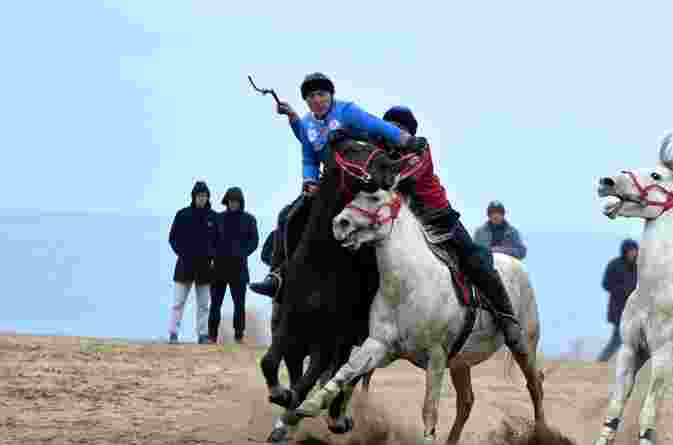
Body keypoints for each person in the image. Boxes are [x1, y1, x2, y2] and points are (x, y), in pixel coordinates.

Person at [249, 72, 425, 298]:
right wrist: (309, 181)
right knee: (287, 215)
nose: (316, 100)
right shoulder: (306, 125)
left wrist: (406, 140)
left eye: (321, 94)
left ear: (331, 95)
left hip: (358, 180)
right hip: (328, 182)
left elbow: (377, 125)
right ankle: (277, 276)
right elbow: (309, 158)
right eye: (310, 97)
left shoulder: (347, 111)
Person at [376, 105, 530, 355]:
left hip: (438, 219)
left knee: (475, 258)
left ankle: (507, 318)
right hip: (399, 225)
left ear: (408, 131)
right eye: (389, 126)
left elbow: (407, 177)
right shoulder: (378, 151)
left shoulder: (419, 147)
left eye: (399, 127)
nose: (393, 130)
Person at [167, 180, 219, 344]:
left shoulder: (214, 217)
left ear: (208, 197)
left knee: (204, 305)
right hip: (184, 266)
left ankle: (202, 335)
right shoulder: (182, 214)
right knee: (178, 302)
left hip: (205, 268)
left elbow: (219, 242)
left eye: (204, 196)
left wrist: (212, 257)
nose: (202, 198)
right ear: (193, 197)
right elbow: (172, 238)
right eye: (199, 196)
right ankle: (173, 333)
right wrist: (182, 253)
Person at [209, 187, 259, 343]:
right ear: (226, 202)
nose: (233, 204)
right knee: (215, 304)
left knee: (239, 305)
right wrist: (215, 254)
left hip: (239, 269)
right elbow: (211, 240)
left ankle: (239, 336)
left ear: (241, 202)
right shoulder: (218, 218)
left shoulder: (249, 219)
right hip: (218, 268)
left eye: (236, 201)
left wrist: (242, 253)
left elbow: (254, 242)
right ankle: (211, 336)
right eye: (230, 201)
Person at [597, 239, 639, 362]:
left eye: (635, 251)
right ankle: (601, 362)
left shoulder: (639, 266)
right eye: (631, 251)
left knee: (636, 339)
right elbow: (605, 284)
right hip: (618, 309)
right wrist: (622, 290)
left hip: (635, 309)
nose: (633, 253)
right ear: (625, 251)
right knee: (617, 339)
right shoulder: (615, 265)